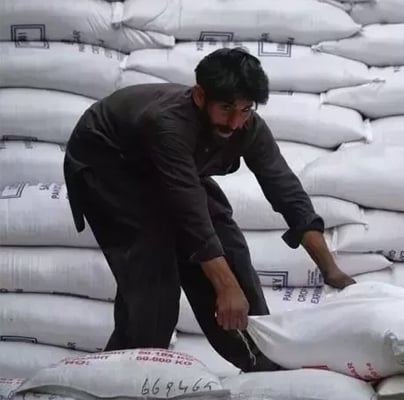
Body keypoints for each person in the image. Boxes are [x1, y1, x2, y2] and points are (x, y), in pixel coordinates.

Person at [63, 47, 356, 371]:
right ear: (200, 96)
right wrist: (225, 288)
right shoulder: (167, 123)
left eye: (245, 109)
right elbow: (189, 210)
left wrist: (330, 268)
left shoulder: (248, 128)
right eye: (227, 107)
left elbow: (285, 188)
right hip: (107, 164)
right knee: (154, 273)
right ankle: (126, 378)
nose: (235, 121)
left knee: (229, 248)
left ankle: (263, 363)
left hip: (169, 171)